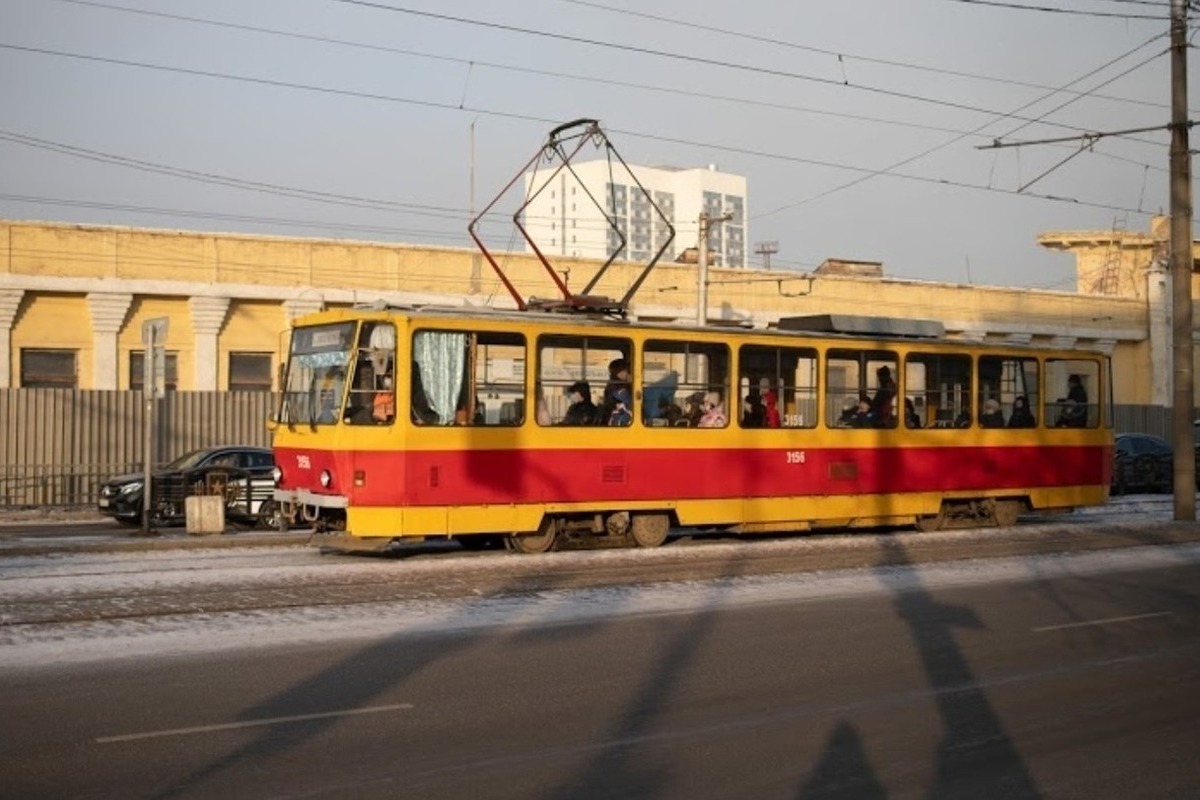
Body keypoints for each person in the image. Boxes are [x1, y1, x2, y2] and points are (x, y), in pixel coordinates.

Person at [600, 357, 632, 426]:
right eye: (627, 371)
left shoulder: (612, 385)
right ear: (620, 373)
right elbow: (631, 405)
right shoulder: (620, 390)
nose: (629, 373)